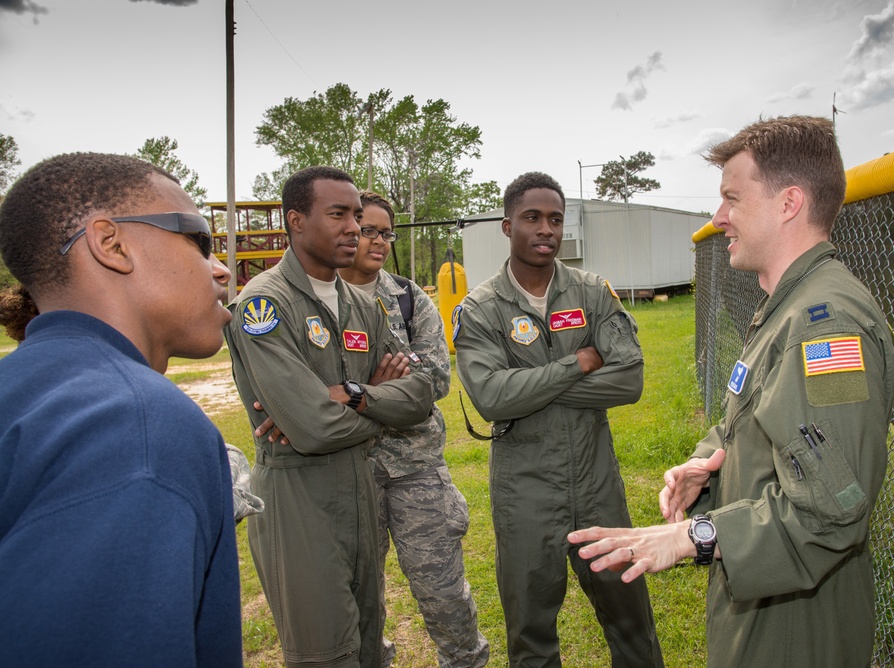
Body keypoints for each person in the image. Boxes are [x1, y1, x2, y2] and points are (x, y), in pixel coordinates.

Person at [569, 116, 894, 667]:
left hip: (797, 629)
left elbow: (831, 512)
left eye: (732, 199)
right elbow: (756, 424)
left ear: (788, 203)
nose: (718, 219)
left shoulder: (824, 325)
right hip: (767, 600)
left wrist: (687, 538)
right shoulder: (786, 306)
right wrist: (707, 469)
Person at [0, 152, 242, 666]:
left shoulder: (25, 388)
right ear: (111, 244)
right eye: (198, 241)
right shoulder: (137, 426)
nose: (219, 268)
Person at [224, 166, 433, 668]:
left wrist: (355, 395)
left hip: (360, 491)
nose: (354, 229)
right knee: (326, 655)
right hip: (299, 498)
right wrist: (381, 402)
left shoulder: (365, 305)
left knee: (367, 646)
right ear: (296, 221)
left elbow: (422, 395)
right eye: (337, 214)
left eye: (358, 217)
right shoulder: (262, 305)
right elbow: (315, 430)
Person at [453, 172, 664, 667]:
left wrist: (532, 389)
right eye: (532, 218)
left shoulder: (591, 293)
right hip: (525, 489)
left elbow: (628, 381)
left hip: (596, 483)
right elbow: (490, 398)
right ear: (507, 226)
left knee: (630, 612)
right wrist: (578, 363)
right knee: (531, 629)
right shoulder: (481, 308)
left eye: (555, 219)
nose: (546, 229)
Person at [334, 190, 490, 668]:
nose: (379, 240)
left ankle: (465, 661)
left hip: (415, 471)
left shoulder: (407, 297)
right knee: (360, 597)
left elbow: (437, 377)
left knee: (443, 594)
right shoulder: (319, 299)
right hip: (347, 472)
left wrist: (361, 391)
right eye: (368, 230)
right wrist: (381, 384)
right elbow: (312, 387)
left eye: (386, 232)